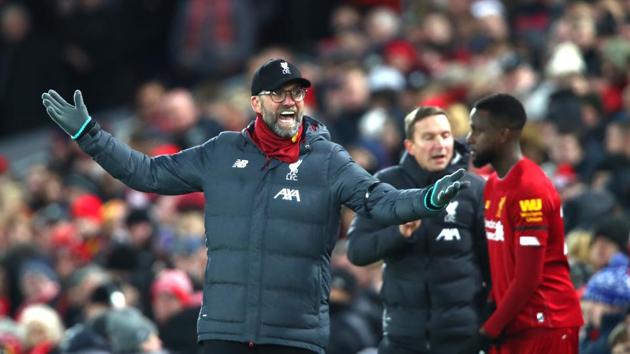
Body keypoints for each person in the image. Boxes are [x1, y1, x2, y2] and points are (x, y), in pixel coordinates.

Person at [41, 58, 469, 354]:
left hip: (294, 338)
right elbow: (146, 173)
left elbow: (379, 201)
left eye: (297, 93)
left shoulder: (328, 160)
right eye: (279, 93)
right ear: (256, 103)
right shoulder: (221, 152)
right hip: (224, 332)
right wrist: (91, 135)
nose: (290, 102)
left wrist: (425, 200)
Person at [347, 106, 490, 354]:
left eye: (445, 135)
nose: (440, 145)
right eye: (429, 137)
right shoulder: (386, 185)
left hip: (462, 338)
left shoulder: (474, 189)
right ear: (410, 146)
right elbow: (357, 251)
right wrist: (399, 234)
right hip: (403, 338)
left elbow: (492, 264)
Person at [463, 93, 583, 353]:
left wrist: (487, 331)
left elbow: (529, 277)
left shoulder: (530, 189)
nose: (469, 139)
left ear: (503, 135)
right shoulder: (494, 184)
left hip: (546, 324)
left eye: (477, 131)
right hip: (514, 325)